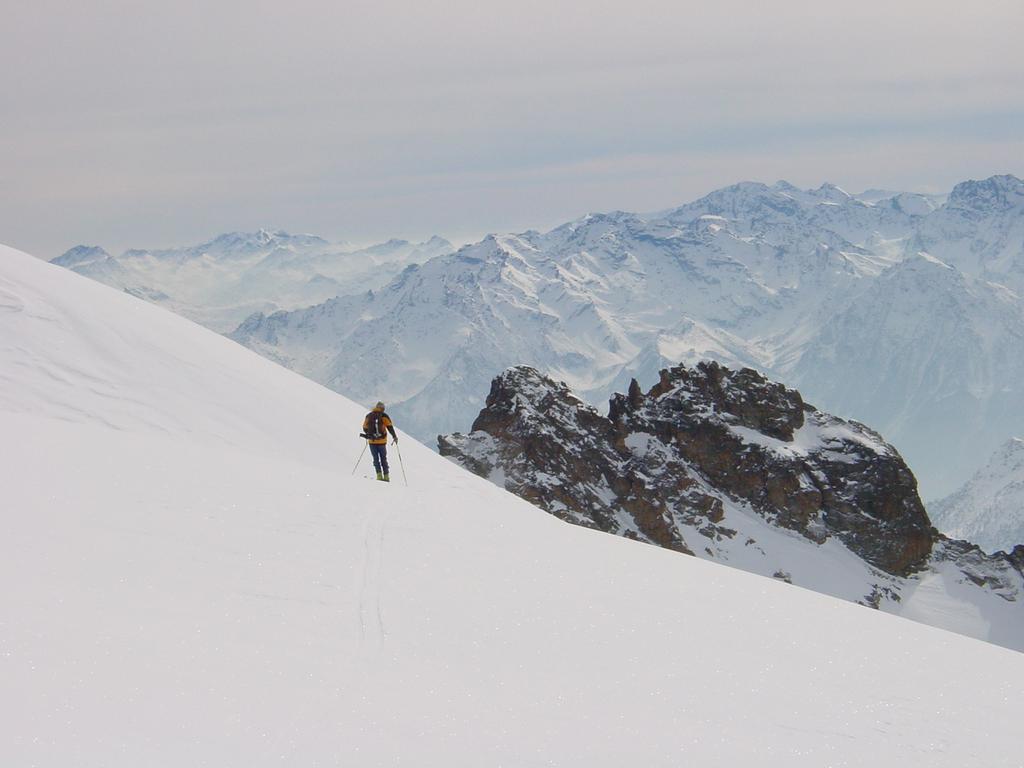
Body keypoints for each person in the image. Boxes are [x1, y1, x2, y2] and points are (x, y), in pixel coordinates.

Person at [362, 401, 398, 481]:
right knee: (383, 459)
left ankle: (379, 475)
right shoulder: (384, 416)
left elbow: (364, 427)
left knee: (375, 459)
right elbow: (390, 427)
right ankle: (386, 476)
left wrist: (370, 434)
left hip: (372, 441)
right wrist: (394, 436)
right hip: (382, 441)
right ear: (383, 408)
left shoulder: (369, 416)